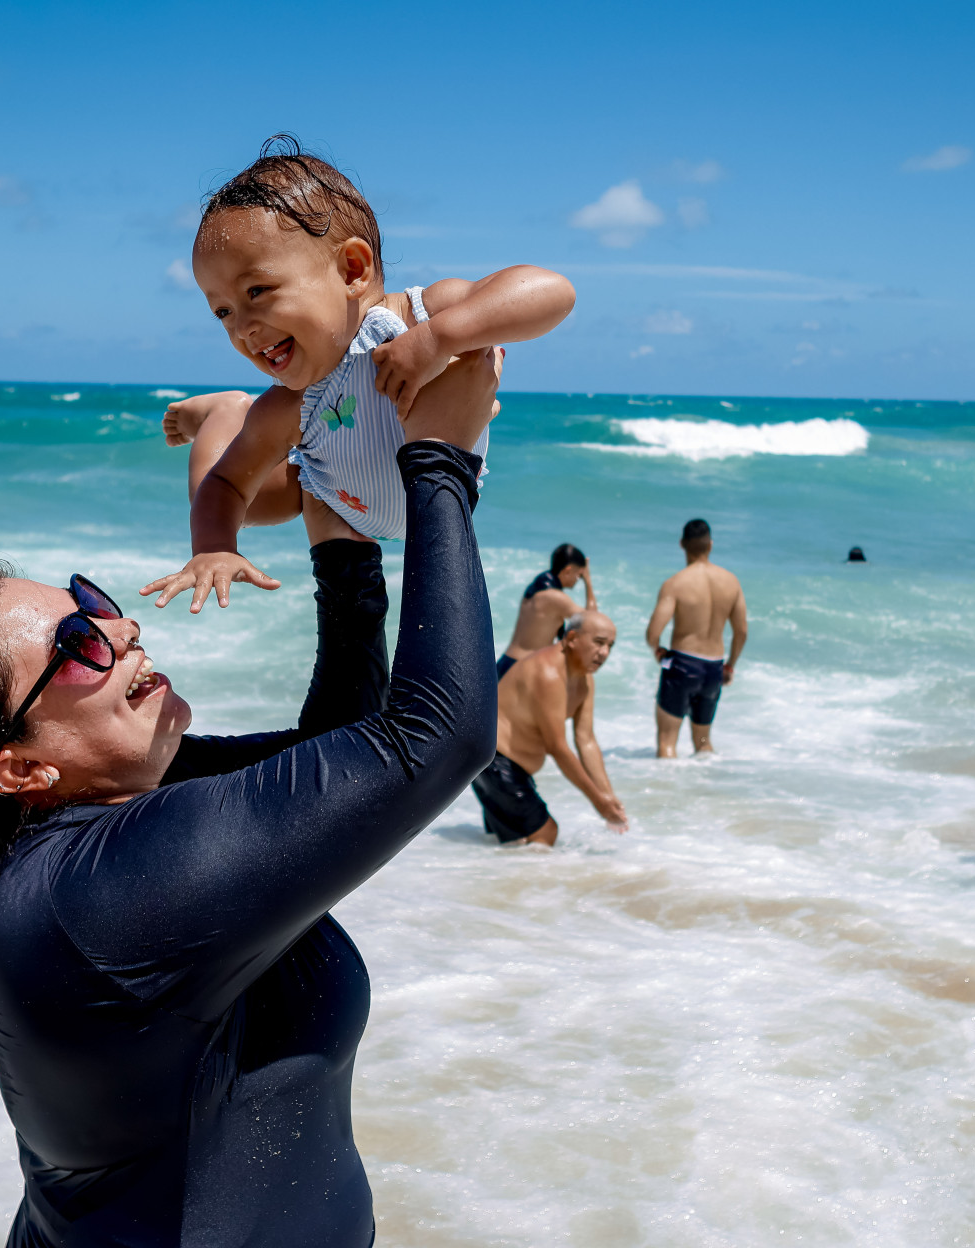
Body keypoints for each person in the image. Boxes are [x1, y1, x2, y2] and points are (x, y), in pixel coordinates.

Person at [0, 371, 500, 1246]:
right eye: (77, 646)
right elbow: (437, 736)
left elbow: (349, 745)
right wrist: (438, 461)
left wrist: (338, 526)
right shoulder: (99, 893)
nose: (121, 632)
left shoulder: (106, 819)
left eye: (92, 604)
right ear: (21, 767)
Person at [142, 137, 575, 612]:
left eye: (258, 290)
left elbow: (553, 293)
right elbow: (222, 487)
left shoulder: (419, 317)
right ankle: (222, 414)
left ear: (352, 269)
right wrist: (213, 548)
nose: (242, 327)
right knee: (246, 499)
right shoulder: (288, 406)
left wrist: (440, 339)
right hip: (332, 492)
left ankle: (225, 412)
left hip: (375, 498)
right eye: (222, 311)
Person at [475, 611, 628, 845]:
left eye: (610, 646)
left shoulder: (584, 679)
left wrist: (608, 796)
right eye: (599, 643)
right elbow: (557, 747)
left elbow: (586, 740)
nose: (605, 653)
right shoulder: (548, 673)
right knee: (545, 833)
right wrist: (598, 803)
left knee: (506, 845)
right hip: (494, 762)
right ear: (572, 638)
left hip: (508, 768)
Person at [647, 518, 748, 757]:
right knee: (703, 742)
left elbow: (653, 632)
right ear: (710, 545)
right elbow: (741, 632)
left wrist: (657, 650)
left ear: (682, 544)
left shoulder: (675, 584)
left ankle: (667, 792)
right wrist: (730, 665)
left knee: (667, 742)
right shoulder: (731, 582)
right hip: (713, 669)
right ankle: (705, 789)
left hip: (682, 666)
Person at [498, 543, 596, 677]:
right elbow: (593, 620)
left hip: (506, 664)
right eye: (579, 575)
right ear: (568, 570)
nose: (578, 579)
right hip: (525, 670)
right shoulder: (556, 598)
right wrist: (588, 581)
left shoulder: (537, 587)